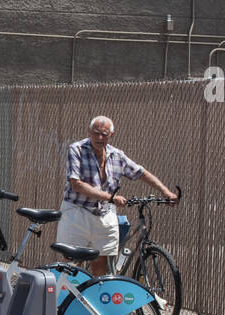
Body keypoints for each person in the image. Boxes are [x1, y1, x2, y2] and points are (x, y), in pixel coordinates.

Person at [59, 115, 178, 278]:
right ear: (89, 132)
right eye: (96, 133)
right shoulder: (77, 149)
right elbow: (76, 184)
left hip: (104, 214)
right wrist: (110, 197)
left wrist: (165, 192)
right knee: (72, 265)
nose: (100, 138)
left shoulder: (116, 155)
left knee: (101, 264)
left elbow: (140, 172)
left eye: (104, 134)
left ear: (111, 135)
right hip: (78, 211)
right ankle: (66, 300)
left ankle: (95, 301)